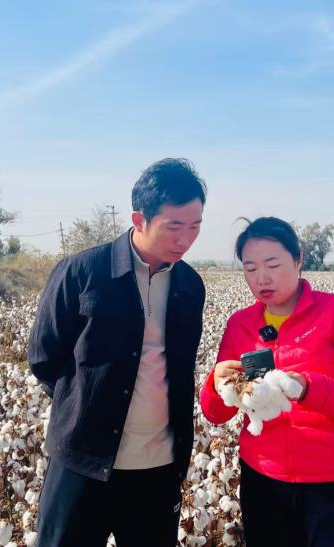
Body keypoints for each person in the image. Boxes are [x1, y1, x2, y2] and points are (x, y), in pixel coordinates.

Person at [28, 158, 207, 546]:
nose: (185, 239)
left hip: (157, 467)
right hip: (82, 462)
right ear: (139, 219)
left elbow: (179, 370)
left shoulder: (190, 286)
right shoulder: (81, 272)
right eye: (174, 226)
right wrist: (84, 402)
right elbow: (44, 358)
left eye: (195, 226)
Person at [199, 217, 334, 547]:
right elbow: (217, 414)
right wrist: (216, 385)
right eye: (250, 268)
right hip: (264, 479)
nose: (262, 278)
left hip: (333, 482)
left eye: (273, 265)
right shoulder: (241, 325)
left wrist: (309, 387)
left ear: (298, 260)